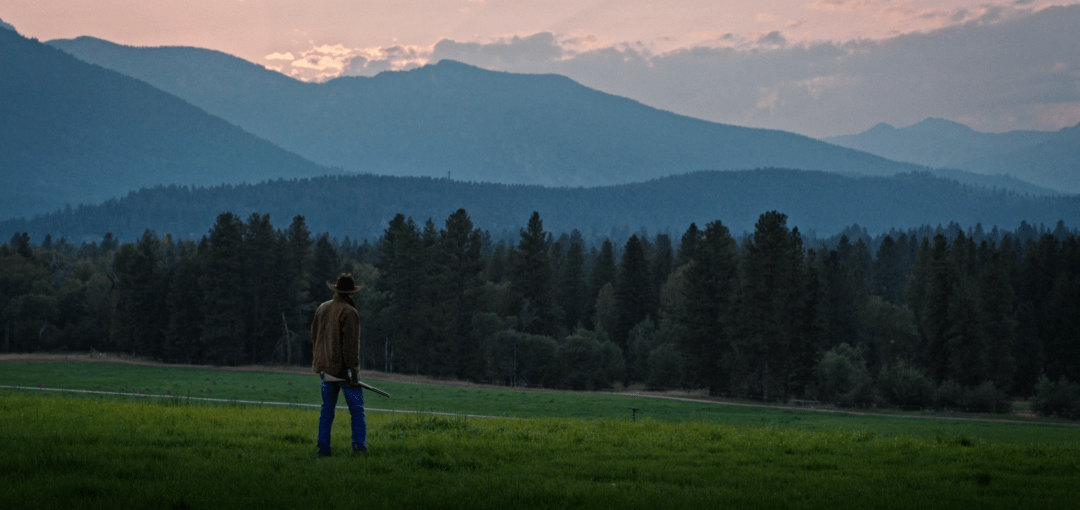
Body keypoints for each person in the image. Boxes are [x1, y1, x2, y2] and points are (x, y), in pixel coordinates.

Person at [312, 273, 367, 457]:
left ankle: (323, 450)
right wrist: (354, 373)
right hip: (344, 372)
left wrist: (320, 362)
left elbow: (315, 337)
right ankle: (359, 448)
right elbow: (350, 348)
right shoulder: (349, 312)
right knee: (357, 411)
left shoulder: (322, 308)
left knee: (326, 411)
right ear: (351, 293)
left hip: (325, 370)